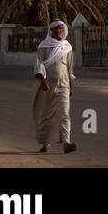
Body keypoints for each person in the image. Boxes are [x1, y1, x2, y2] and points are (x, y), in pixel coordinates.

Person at [33, 18, 77, 154]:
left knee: (65, 114)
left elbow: (69, 68)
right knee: (48, 115)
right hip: (48, 85)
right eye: (56, 28)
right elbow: (39, 65)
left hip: (63, 85)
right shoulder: (43, 46)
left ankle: (66, 143)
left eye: (60, 28)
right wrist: (42, 80)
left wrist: (71, 85)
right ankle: (45, 143)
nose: (58, 30)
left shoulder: (66, 47)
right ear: (51, 30)